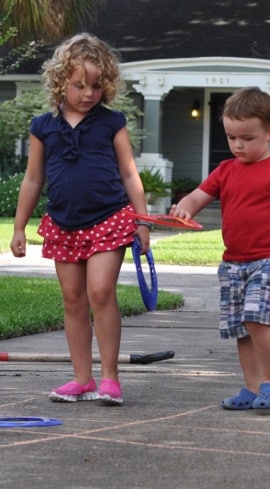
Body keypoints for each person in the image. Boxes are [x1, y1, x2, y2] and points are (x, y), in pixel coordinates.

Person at [9, 33, 151, 406]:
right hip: (63, 222)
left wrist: (143, 221)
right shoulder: (43, 126)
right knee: (73, 300)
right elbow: (33, 179)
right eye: (79, 85)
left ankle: (109, 379)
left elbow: (129, 173)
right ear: (60, 83)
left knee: (100, 293)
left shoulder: (111, 123)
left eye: (95, 86)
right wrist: (20, 226)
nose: (88, 93)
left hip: (110, 218)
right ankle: (82, 378)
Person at [171, 87, 270, 410]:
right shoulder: (226, 170)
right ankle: (251, 388)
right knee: (240, 327)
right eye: (232, 137)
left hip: (269, 260)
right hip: (232, 264)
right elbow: (197, 196)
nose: (237, 145)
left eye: (247, 138)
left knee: (257, 318)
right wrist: (184, 208)